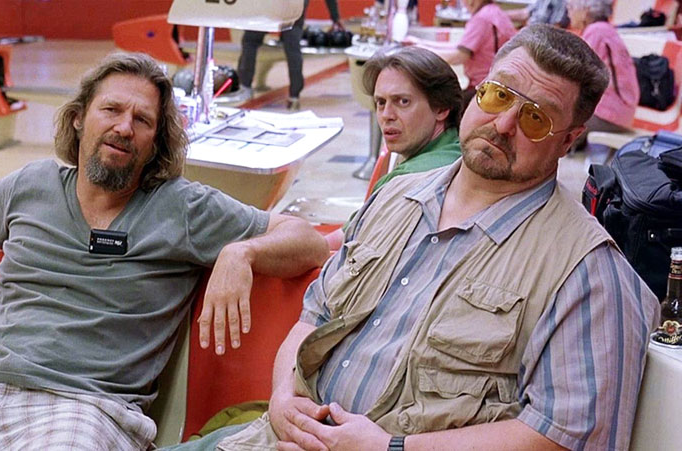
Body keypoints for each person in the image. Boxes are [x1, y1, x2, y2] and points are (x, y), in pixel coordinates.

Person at [165, 24, 659, 451]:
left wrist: (392, 447)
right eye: (499, 96)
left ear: (568, 139)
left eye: (536, 117)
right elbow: (315, 316)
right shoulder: (395, 197)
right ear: (476, 91)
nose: (504, 124)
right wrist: (281, 399)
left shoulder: (590, 274)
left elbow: (569, 437)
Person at [0, 52, 329, 449]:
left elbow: (306, 240)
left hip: (84, 408)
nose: (124, 127)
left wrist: (242, 253)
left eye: (142, 120)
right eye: (111, 110)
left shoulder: (182, 207)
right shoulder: (32, 184)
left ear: (156, 143)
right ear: (79, 118)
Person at [325, 46, 464, 249]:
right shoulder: (458, 149)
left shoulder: (407, 179)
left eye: (403, 101)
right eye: (381, 102)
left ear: (441, 108)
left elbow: (342, 245)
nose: (387, 115)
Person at [405, 0, 517, 108]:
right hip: (497, 85)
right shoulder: (494, 12)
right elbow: (461, 47)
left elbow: (459, 56)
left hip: (484, 88)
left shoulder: (481, 18)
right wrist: (421, 44)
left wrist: (420, 51)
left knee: (442, 107)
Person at [567, 0, 639, 153]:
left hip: (610, 114)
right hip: (622, 112)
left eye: (571, 7)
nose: (568, 13)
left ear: (585, 11)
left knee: (558, 118)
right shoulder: (605, 30)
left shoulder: (596, 32)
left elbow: (579, 74)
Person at [237, 0, 310, 111]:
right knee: (293, 48)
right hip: (294, 7)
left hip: (268, 7)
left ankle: (245, 86)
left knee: (250, 42)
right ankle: (294, 95)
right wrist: (335, 18)